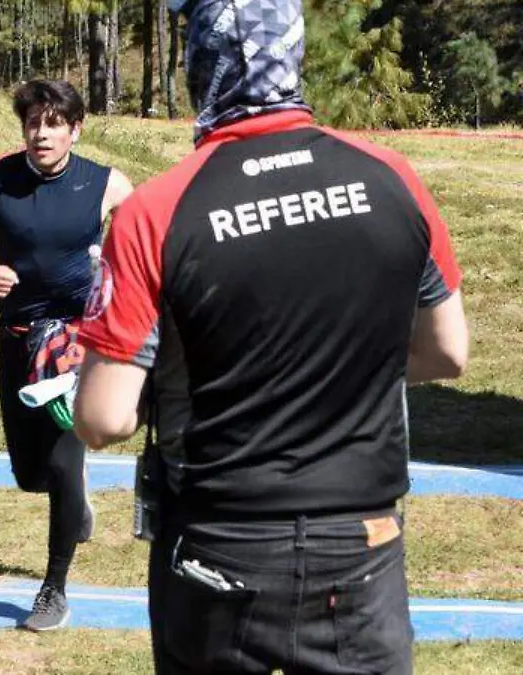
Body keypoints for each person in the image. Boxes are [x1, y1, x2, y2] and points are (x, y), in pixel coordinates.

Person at [73, 1, 468, 673]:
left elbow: (103, 417)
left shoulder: (156, 211)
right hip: (361, 539)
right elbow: (447, 350)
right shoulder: (391, 177)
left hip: (220, 539)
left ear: (201, 62)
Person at [0, 79, 132, 631]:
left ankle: (54, 589)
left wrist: (113, 276)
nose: (42, 134)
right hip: (18, 339)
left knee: (61, 462)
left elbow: (143, 244)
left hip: (75, 344)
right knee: (31, 475)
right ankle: (74, 495)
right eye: (33, 124)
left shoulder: (106, 183)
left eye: (54, 124)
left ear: (76, 130)